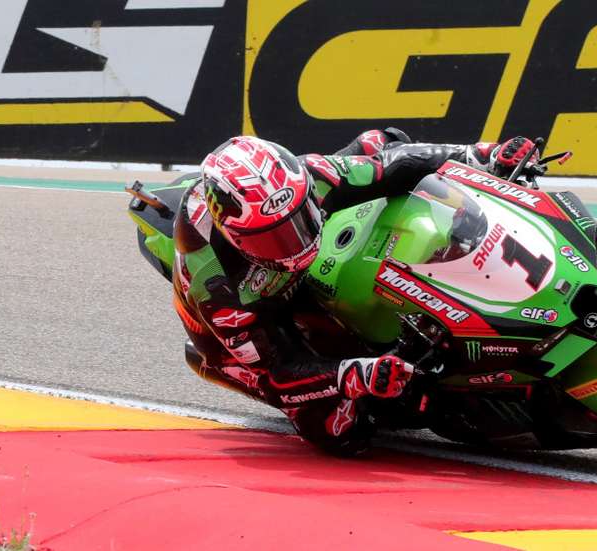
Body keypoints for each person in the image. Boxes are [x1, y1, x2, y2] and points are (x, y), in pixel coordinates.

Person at [172, 129, 538, 455]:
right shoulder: (217, 286)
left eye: (301, 221)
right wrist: (351, 374)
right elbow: (279, 373)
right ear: (235, 237)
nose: (295, 244)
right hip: (255, 328)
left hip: (284, 269)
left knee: (382, 140)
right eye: (274, 239)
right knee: (340, 431)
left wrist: (483, 155)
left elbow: (392, 165)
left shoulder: (309, 177)